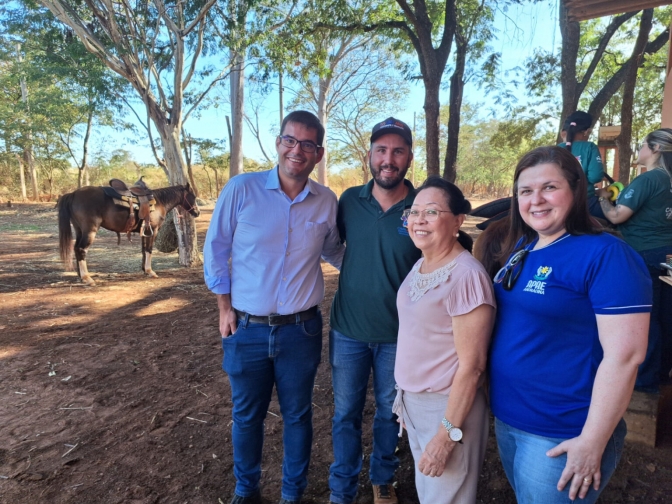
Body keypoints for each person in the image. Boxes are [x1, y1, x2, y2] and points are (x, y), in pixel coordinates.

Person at [489, 146, 651, 504]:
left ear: (576, 190)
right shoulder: (526, 246)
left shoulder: (607, 255)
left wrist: (593, 441)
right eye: (525, 191)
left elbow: (626, 356)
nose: (536, 200)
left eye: (549, 187)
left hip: (562, 430)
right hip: (510, 419)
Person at [203, 110, 344, 504]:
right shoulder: (241, 189)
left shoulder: (326, 201)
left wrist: (377, 272)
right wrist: (223, 307)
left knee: (298, 416)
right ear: (278, 142)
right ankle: (246, 492)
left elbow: (335, 251)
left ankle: (291, 495)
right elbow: (216, 249)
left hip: (301, 331)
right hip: (245, 328)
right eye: (290, 140)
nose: (297, 150)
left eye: (307, 145)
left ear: (318, 153)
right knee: (247, 416)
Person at [328, 117, 421, 504]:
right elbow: (334, 246)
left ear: (409, 158)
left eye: (397, 151)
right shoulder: (349, 200)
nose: (388, 159)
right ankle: (343, 485)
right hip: (348, 330)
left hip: (399, 336)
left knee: (389, 413)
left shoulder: (423, 206)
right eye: (381, 150)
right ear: (369, 155)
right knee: (345, 413)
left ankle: (383, 477)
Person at [393, 177, 495, 504]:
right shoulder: (422, 263)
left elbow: (473, 368)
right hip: (417, 403)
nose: (419, 219)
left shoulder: (466, 276)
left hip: (448, 408)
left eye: (432, 212)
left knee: (447, 498)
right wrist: (406, 403)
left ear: (458, 221)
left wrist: (446, 435)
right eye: (414, 211)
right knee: (430, 494)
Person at [596, 128, 672, 392]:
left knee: (645, 319)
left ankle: (643, 383)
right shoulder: (669, 180)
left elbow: (616, 216)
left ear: (656, 149)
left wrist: (604, 198)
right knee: (665, 317)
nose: (640, 150)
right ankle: (662, 375)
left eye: (643, 145)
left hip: (644, 254)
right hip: (667, 254)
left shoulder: (649, 180)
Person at [558, 111, 606, 219]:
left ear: (563, 132)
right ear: (587, 132)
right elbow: (595, 177)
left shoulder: (555, 150)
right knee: (616, 221)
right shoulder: (590, 147)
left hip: (560, 202)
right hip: (586, 202)